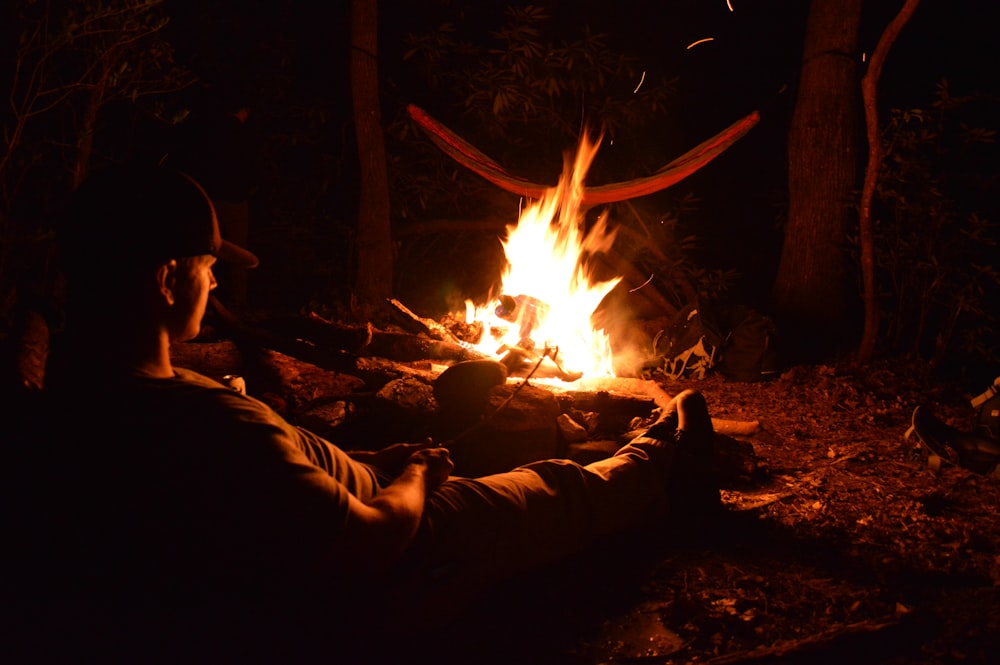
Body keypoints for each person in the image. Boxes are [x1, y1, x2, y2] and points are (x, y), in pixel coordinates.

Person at [22, 165, 720, 661]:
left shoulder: (80, 402)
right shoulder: (194, 423)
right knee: (554, 491)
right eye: (207, 267)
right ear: (167, 277)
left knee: (530, 475)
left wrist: (370, 464)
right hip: (400, 570)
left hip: (343, 521)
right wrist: (411, 476)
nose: (213, 283)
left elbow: (281, 484)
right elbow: (369, 543)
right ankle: (664, 458)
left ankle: (643, 460)